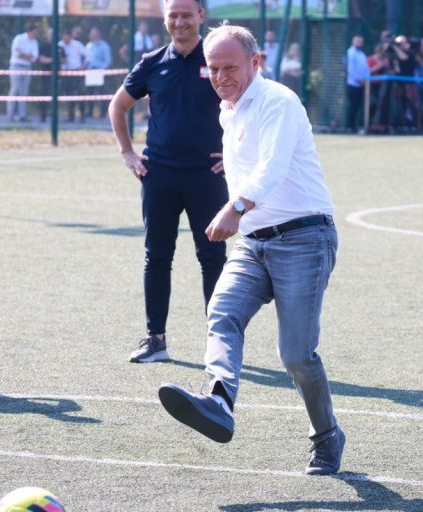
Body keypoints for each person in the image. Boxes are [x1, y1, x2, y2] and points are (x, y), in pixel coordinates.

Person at [157, 24, 345, 476]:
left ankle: (327, 436)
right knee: (222, 310)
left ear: (256, 63)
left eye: (229, 67)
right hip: (254, 242)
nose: (220, 77)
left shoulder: (279, 101)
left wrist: (234, 208)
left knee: (296, 355)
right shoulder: (230, 110)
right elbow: (250, 164)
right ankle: (219, 401)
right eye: (213, 69)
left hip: (304, 238)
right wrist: (239, 196)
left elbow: (274, 167)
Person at [108, 0, 228, 363]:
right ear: (165, 19)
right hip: (158, 176)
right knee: (157, 257)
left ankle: (220, 341)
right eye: (173, 15)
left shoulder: (218, 56)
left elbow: (249, 102)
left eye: (186, 15)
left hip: (207, 178)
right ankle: (155, 339)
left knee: (212, 257)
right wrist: (128, 153)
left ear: (201, 17)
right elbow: (118, 106)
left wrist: (237, 154)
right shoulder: (152, 63)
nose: (179, 22)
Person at [6, 24, 40, 122]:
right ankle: (10, 114)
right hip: (16, 66)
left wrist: (24, 55)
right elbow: (16, 53)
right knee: (15, 89)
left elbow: (34, 57)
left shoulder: (34, 42)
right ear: (30, 31)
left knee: (24, 91)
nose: (36, 34)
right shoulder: (19, 38)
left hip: (27, 67)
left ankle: (22, 115)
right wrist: (27, 56)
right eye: (35, 32)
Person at [58, 29, 87, 122]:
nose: (65, 40)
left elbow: (88, 56)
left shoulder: (77, 45)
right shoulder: (60, 45)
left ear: (71, 37)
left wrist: (83, 67)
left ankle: (82, 116)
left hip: (77, 72)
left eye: (67, 38)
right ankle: (71, 116)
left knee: (80, 94)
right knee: (68, 94)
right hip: (66, 73)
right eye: (64, 38)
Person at [84, 27, 112, 119]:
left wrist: (101, 70)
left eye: (94, 33)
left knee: (101, 93)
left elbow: (108, 61)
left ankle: (103, 113)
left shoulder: (104, 46)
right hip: (90, 71)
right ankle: (90, 111)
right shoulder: (88, 45)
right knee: (89, 92)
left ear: (98, 34)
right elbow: (86, 59)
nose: (92, 35)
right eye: (91, 34)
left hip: (100, 71)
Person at [346, 35, 369, 133]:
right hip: (353, 84)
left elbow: (365, 69)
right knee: (353, 106)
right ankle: (349, 126)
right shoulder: (351, 53)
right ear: (353, 41)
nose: (359, 42)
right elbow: (351, 70)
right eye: (357, 41)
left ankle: (356, 126)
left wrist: (366, 80)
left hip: (363, 84)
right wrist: (359, 80)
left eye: (361, 41)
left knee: (359, 106)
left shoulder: (362, 54)